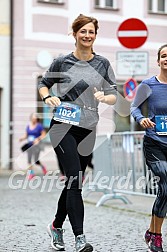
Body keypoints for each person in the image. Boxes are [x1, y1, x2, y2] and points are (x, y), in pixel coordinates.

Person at [38, 14, 117, 252]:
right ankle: (80, 238)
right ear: (74, 34)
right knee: (74, 178)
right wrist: (47, 96)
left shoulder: (102, 63)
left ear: (95, 35)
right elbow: (43, 83)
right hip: (63, 126)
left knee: (75, 181)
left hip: (87, 129)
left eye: (91, 32)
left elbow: (113, 94)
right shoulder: (61, 62)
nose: (87, 35)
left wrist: (105, 97)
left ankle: (56, 225)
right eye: (83, 31)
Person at [131, 44, 167, 252]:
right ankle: (157, 237)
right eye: (163, 56)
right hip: (154, 143)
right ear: (158, 61)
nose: (166, 59)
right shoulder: (148, 84)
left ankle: (152, 232)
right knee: (166, 182)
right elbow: (134, 106)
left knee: (165, 190)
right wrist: (141, 118)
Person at [19, 112, 47, 179]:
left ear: (37, 119)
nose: (34, 119)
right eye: (33, 117)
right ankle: (31, 173)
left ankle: (43, 167)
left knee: (36, 160)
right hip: (30, 145)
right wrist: (22, 138)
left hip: (37, 145)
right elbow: (26, 135)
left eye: (35, 118)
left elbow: (43, 134)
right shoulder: (28, 126)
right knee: (29, 159)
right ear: (31, 118)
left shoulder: (39, 126)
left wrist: (38, 139)